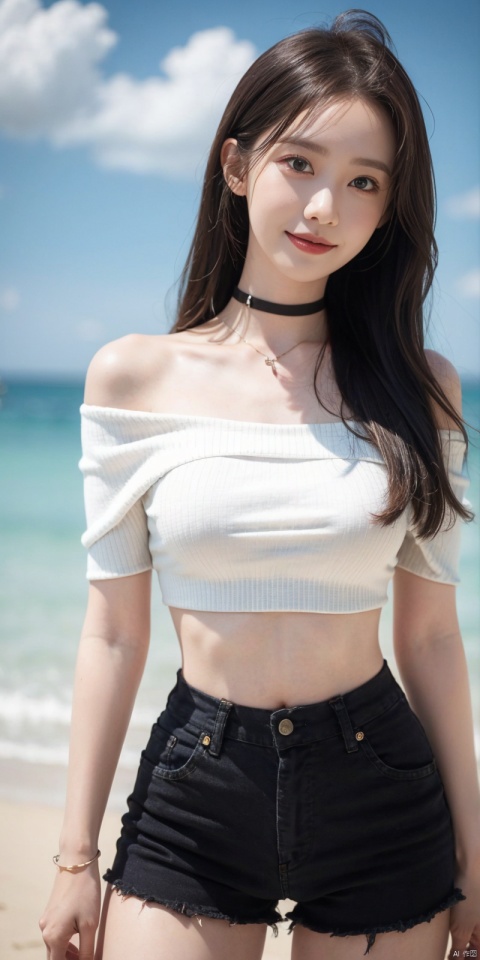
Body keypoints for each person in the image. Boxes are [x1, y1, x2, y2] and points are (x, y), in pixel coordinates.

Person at [40, 10, 480, 960]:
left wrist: (477, 855)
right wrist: (75, 859)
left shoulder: (420, 388)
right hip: (196, 791)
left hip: (383, 789)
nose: (326, 207)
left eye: (364, 183)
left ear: (389, 209)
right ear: (237, 166)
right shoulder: (133, 378)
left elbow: (433, 634)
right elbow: (114, 632)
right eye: (301, 165)